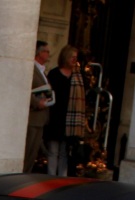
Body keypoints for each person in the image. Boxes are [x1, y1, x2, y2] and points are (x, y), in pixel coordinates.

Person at [44, 45, 88, 177]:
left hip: (70, 120)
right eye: (72, 57)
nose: (74, 60)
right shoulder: (54, 74)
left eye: (76, 57)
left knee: (65, 151)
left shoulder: (78, 76)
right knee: (53, 150)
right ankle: (51, 176)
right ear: (65, 57)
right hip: (56, 117)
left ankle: (61, 178)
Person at [24, 41, 53, 174]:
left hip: (41, 119)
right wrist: (37, 103)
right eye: (46, 51)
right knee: (27, 153)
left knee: (32, 154)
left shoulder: (42, 71)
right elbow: (24, 90)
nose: (48, 54)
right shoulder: (31, 69)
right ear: (39, 52)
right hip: (33, 117)